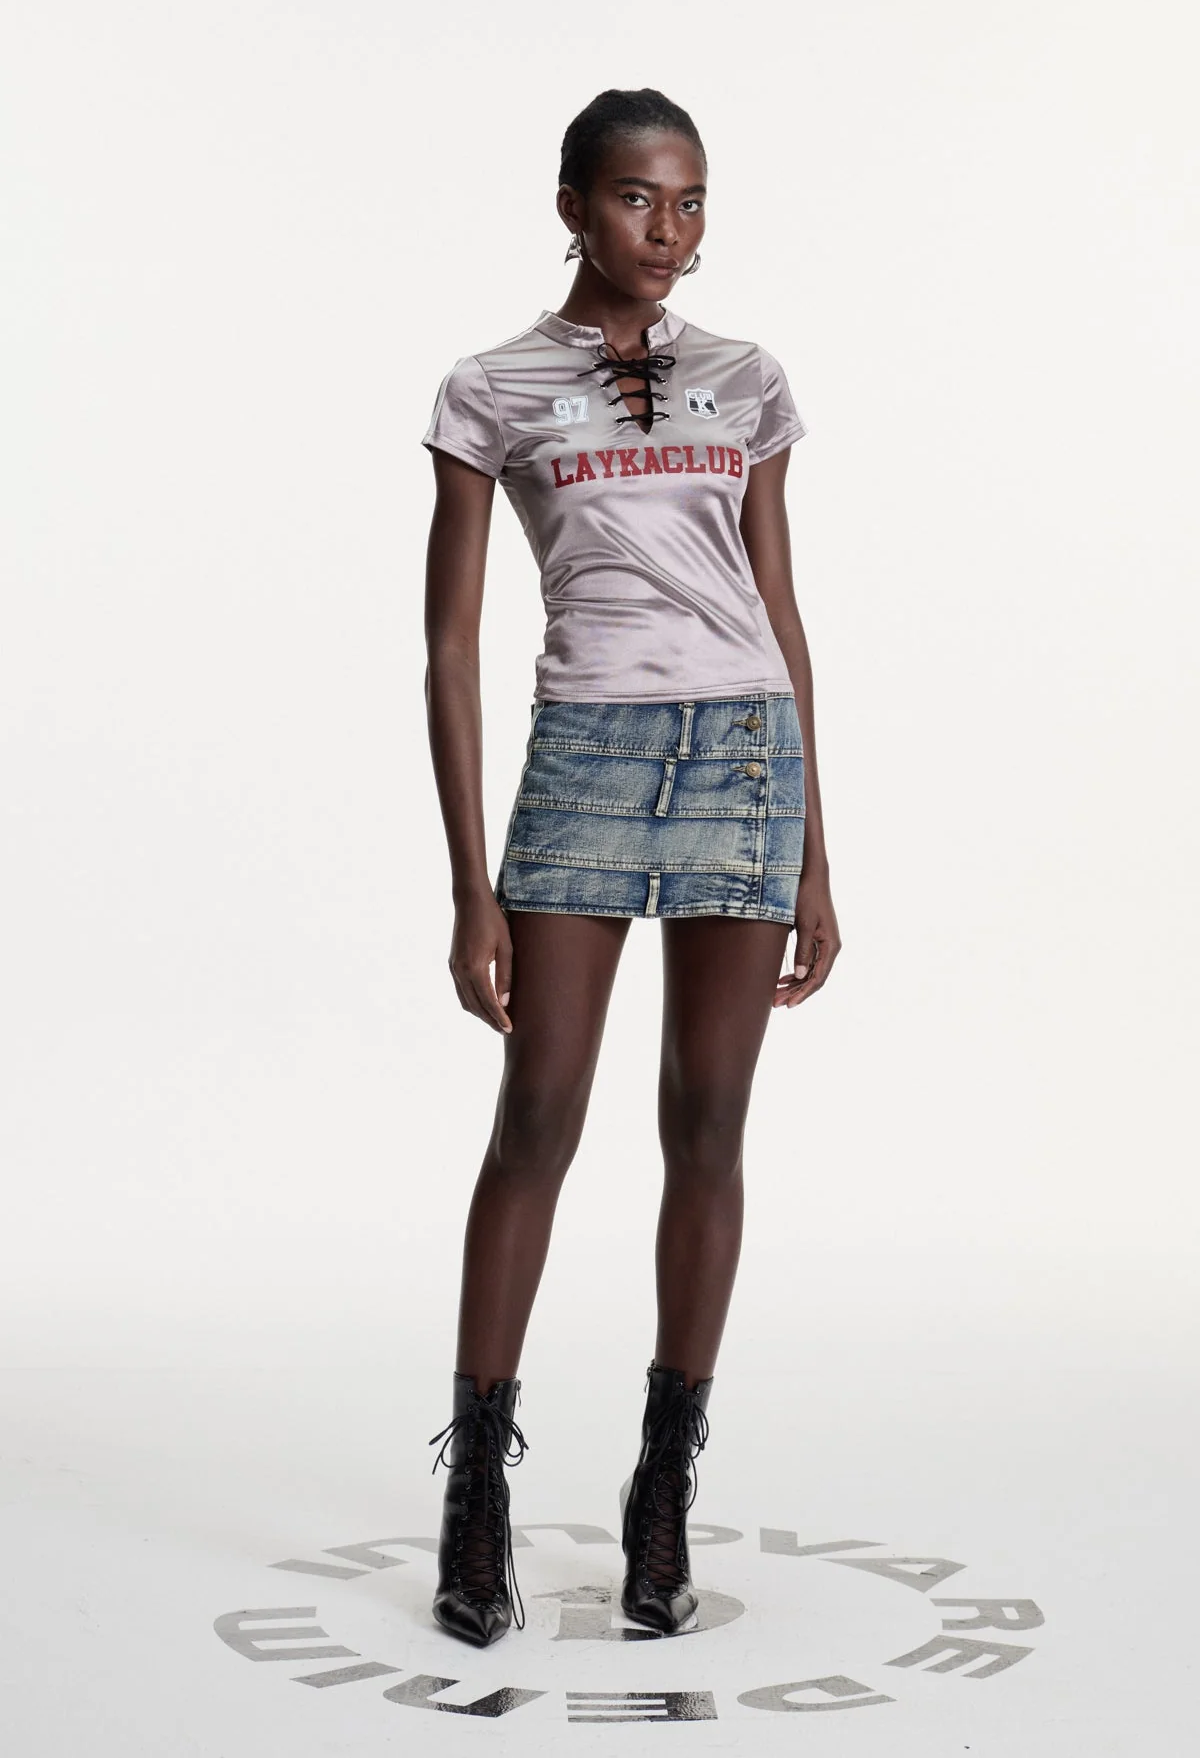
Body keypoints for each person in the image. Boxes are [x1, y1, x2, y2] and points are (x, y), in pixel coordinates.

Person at [420, 87, 842, 1648]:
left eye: (691, 200)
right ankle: (476, 1491)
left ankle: (663, 1490)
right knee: (538, 1117)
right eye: (636, 199)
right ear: (572, 207)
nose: (667, 230)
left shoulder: (748, 378)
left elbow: (779, 610)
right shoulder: (493, 387)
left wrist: (815, 847)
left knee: (708, 1125)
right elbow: (448, 645)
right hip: (586, 759)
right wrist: (470, 885)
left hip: (743, 758)